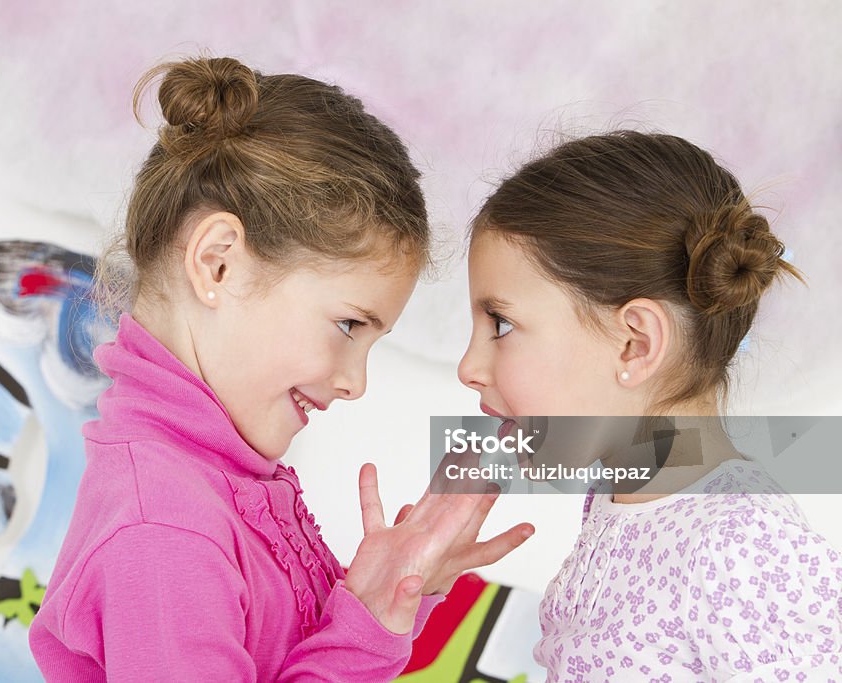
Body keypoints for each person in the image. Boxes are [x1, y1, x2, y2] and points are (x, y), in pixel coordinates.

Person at [28, 56, 534, 681]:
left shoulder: (211, 482)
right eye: (349, 326)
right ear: (218, 264)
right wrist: (367, 624)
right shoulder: (165, 533)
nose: (356, 382)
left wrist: (381, 598)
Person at [459, 130, 842, 681]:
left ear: (635, 344)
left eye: (501, 325)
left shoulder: (743, 549)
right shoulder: (618, 496)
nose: (468, 367)